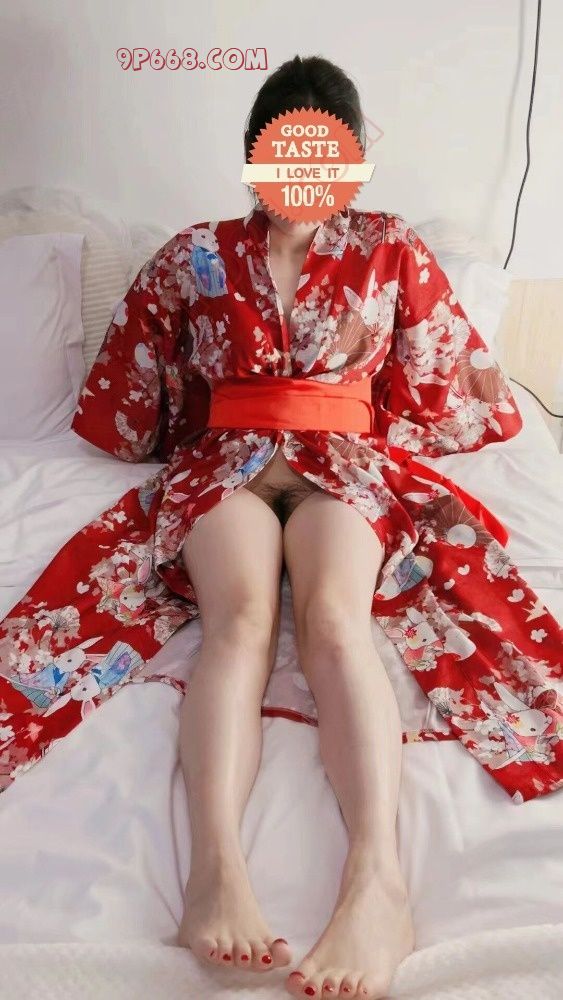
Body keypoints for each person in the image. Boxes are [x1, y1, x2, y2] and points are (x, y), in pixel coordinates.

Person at [1, 53, 562, 1000]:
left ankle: (376, 882)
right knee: (240, 624)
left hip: (345, 465)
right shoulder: (190, 254)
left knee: (336, 621)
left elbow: (440, 387)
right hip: (227, 465)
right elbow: (129, 407)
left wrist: (400, 409)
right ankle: (215, 874)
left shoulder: (389, 248)